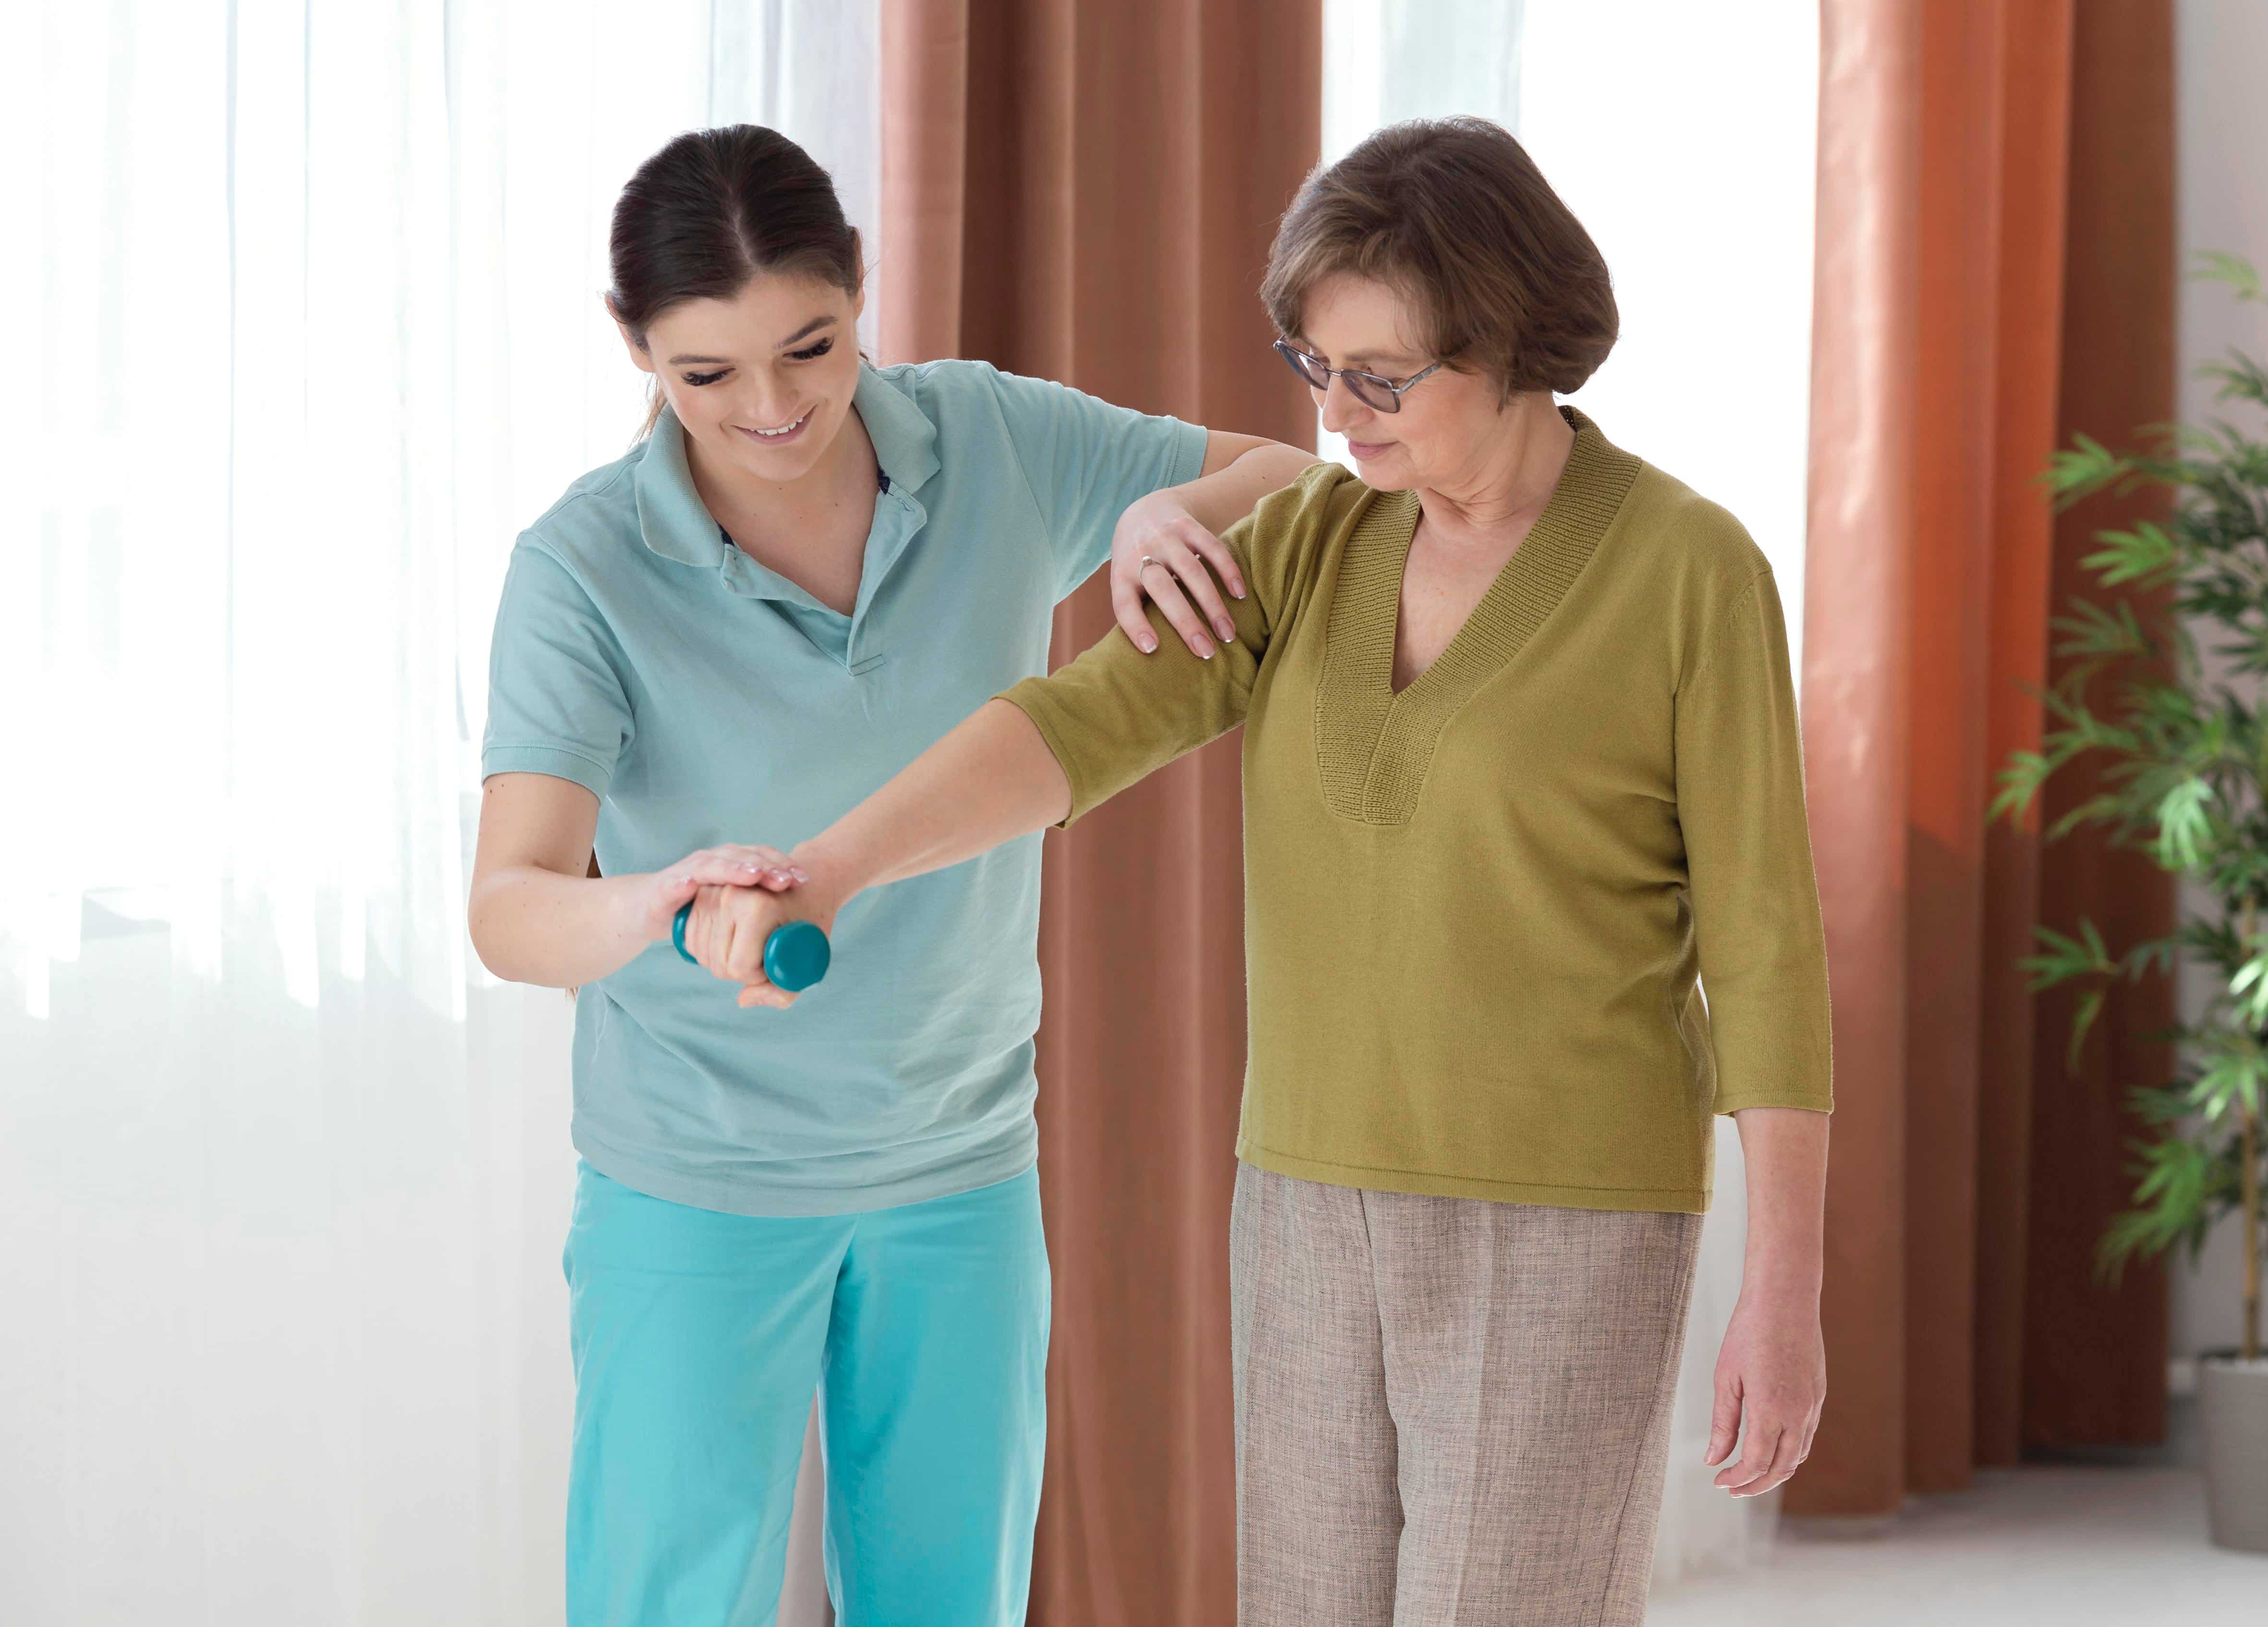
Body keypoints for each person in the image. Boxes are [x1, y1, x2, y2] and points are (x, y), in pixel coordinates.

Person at [684, 117, 1834, 1626]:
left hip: (1565, 1215)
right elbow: (1073, 728)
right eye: (1313, 365)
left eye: (1382, 376)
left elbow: (1764, 947)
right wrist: (833, 868)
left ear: (1507, 341)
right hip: (1301, 1198)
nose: (1335, 414)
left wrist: (1784, 1289)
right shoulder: (1307, 541)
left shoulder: (1687, 570)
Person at [463, 124, 1315, 1627]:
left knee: (949, 1602)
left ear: (861, 287)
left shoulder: (988, 439)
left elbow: (1292, 483)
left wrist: (1160, 510)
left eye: (811, 346)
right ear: (635, 348)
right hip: (697, 1178)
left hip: (959, 1160)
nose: (774, 408)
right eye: (707, 373)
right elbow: (509, 905)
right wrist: (654, 899)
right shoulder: (583, 565)